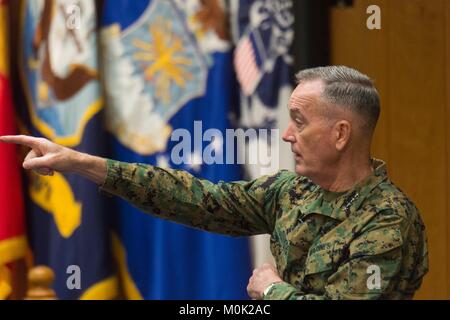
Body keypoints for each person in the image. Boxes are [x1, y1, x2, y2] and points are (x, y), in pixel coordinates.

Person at [0, 66, 428, 300]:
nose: (286, 135)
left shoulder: (387, 220)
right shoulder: (292, 191)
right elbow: (198, 200)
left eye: (299, 121)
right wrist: (84, 162)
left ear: (340, 134)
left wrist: (272, 289)